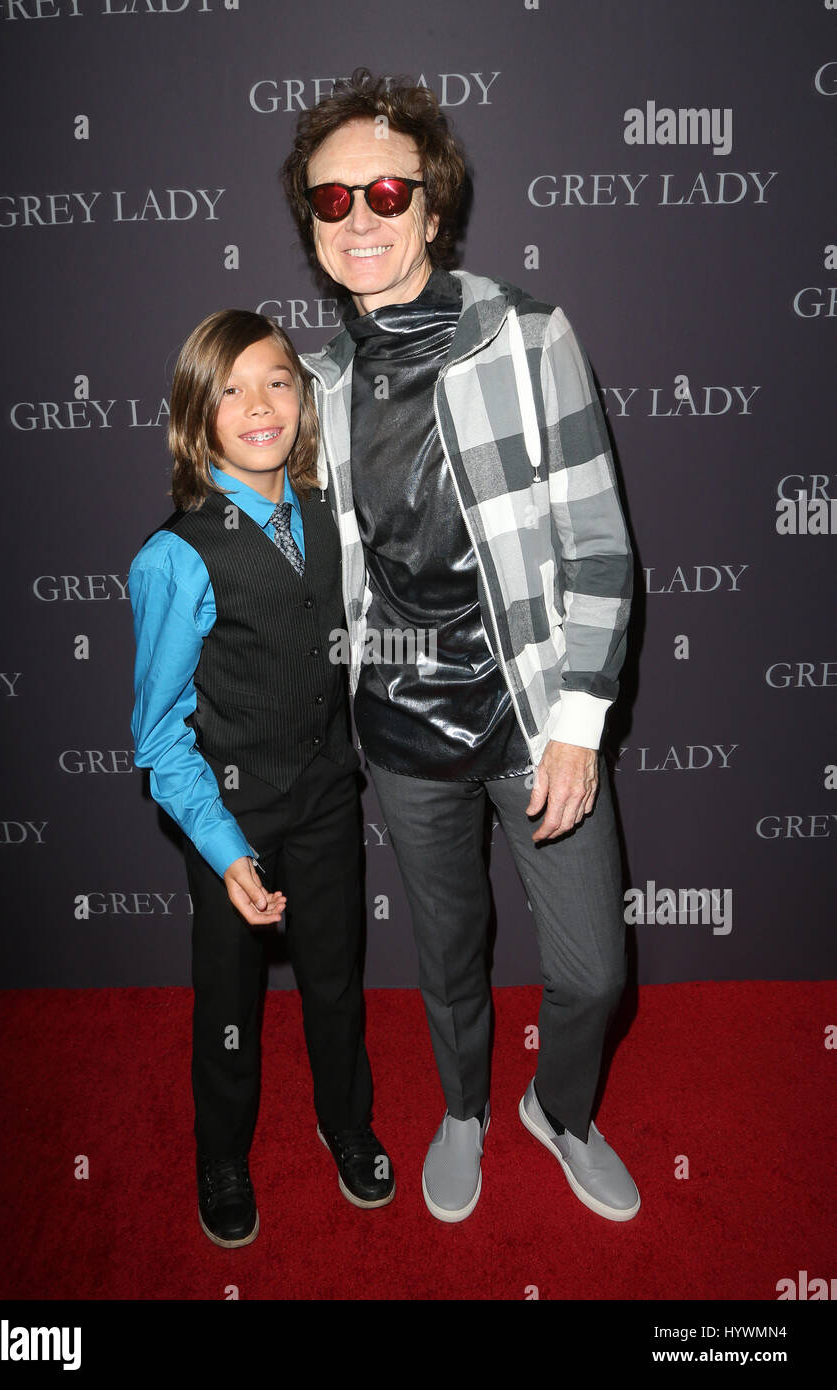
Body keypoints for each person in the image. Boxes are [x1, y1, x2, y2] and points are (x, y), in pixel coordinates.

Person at [281, 71, 640, 1224]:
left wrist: (579, 720)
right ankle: (465, 1109)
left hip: (533, 714)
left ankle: (561, 1109)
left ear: (433, 208)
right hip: (400, 730)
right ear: (314, 231)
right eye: (332, 203)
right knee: (448, 958)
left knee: (592, 970)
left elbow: (596, 540)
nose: (361, 217)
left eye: (387, 190)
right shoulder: (319, 387)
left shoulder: (526, 334)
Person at [128, 309, 394, 1249]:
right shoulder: (174, 557)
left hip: (326, 796)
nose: (257, 404)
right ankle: (222, 1156)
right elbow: (158, 738)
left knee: (334, 979)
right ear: (196, 418)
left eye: (276, 380)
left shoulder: (325, 515)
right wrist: (226, 848)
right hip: (227, 813)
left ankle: (347, 1124)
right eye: (229, 389)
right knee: (228, 1001)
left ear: (302, 398)